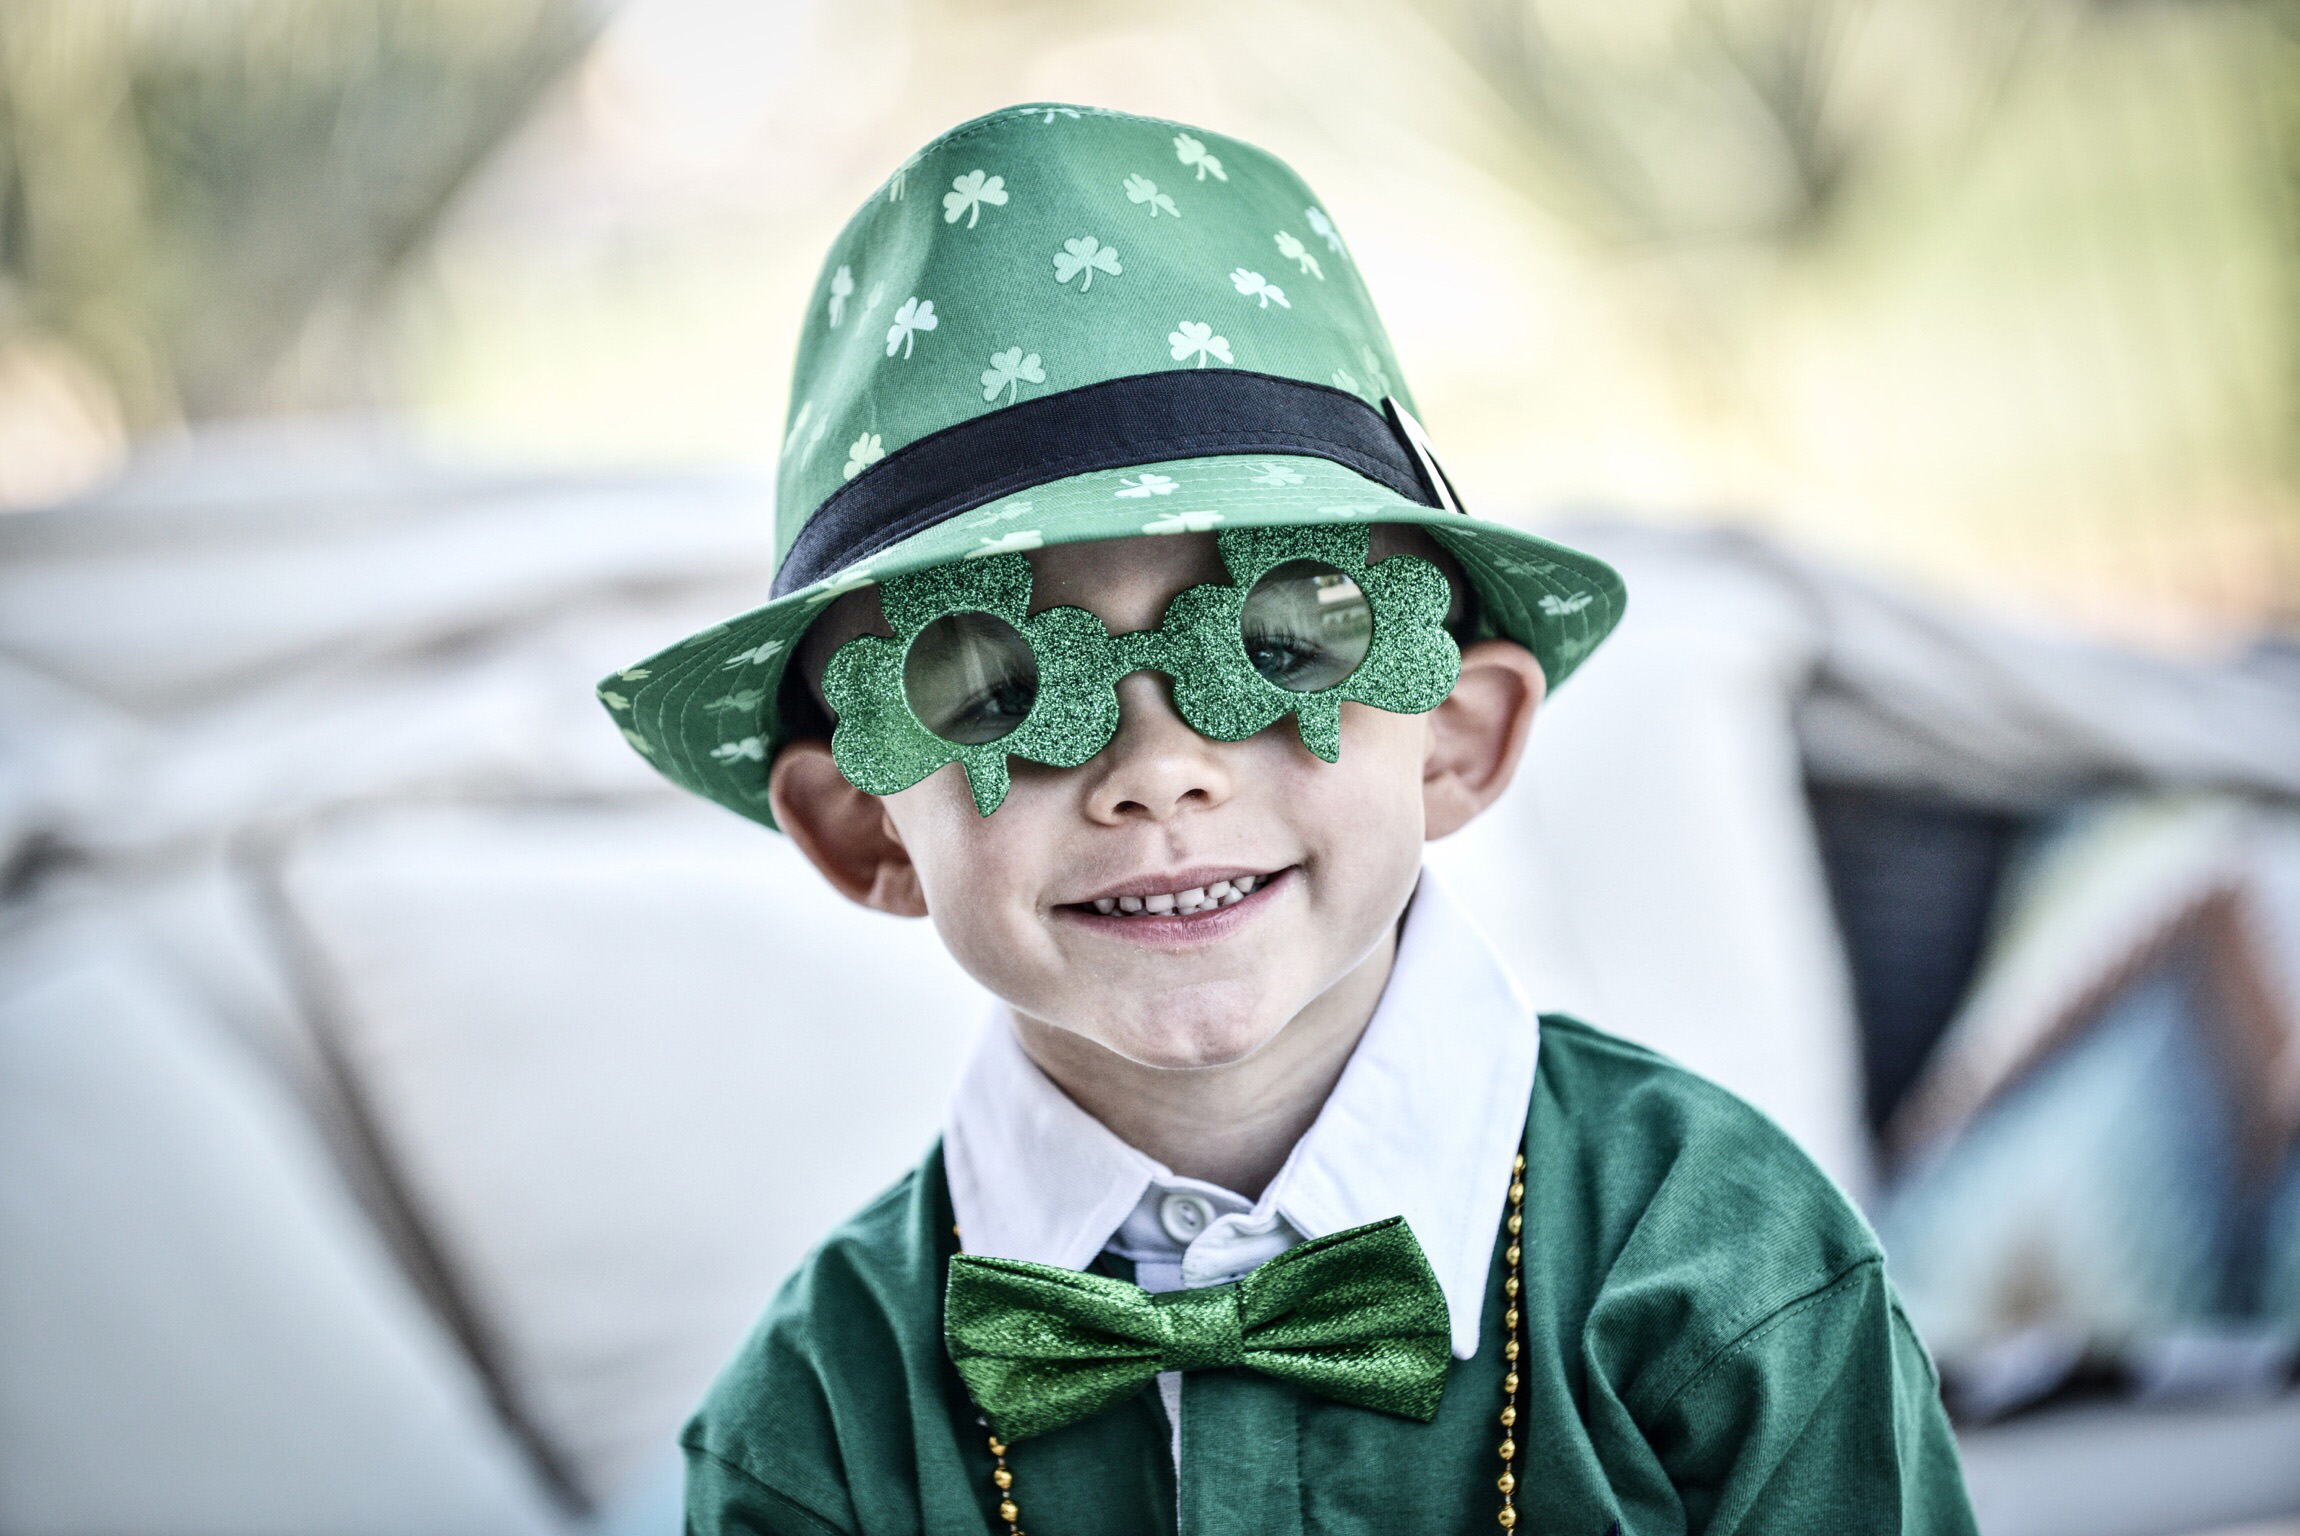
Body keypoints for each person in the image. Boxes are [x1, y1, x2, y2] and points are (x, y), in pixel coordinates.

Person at [602, 104, 1975, 1536]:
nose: (1160, 771)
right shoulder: (812, 1425)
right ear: (864, 829)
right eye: (989, 681)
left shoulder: (1728, 1269)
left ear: (1457, 736)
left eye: (1286, 634)